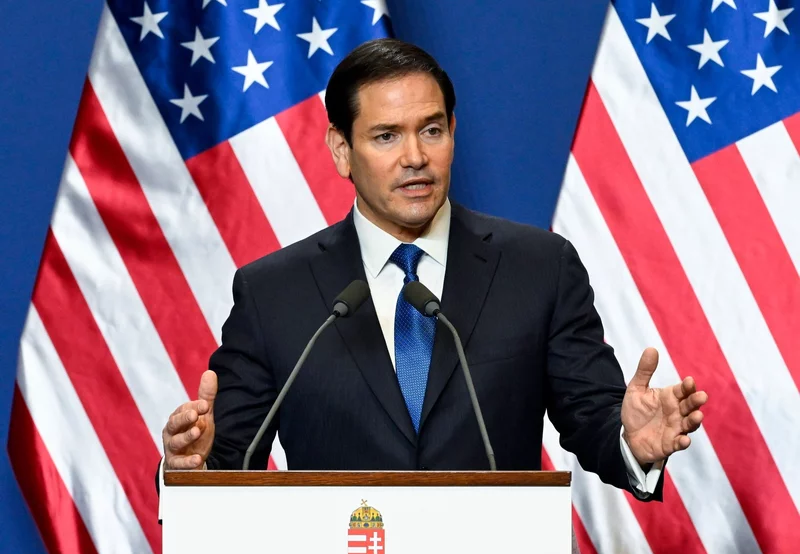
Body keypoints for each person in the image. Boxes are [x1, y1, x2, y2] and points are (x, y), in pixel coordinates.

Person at [160, 39, 707, 499]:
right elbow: (229, 459)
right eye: (386, 136)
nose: (415, 157)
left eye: (431, 130)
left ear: (452, 132)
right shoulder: (274, 292)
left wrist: (632, 442)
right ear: (341, 150)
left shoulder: (539, 267)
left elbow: (591, 415)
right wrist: (189, 468)